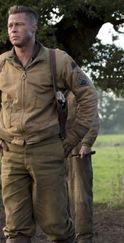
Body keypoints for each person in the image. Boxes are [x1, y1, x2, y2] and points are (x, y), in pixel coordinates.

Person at [0, 5, 98, 243]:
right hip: (10, 153)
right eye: (10, 25)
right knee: (16, 229)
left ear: (33, 27)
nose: (13, 30)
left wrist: (74, 137)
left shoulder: (57, 60)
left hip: (47, 151)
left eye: (18, 24)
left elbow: (88, 95)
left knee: (57, 227)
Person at [66, 92, 99, 243]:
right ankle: (64, 236)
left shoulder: (80, 90)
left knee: (80, 198)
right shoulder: (50, 89)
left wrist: (86, 143)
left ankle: (84, 238)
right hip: (55, 149)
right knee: (57, 198)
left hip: (78, 150)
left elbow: (91, 117)